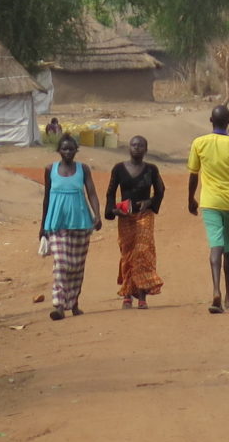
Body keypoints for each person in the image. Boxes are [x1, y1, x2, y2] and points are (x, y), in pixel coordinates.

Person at [187, 105, 229, 315]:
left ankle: (216, 292)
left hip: (210, 202)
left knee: (215, 247)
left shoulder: (199, 143)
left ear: (210, 120)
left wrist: (190, 199)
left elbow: (193, 174)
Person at [39, 133, 103, 320]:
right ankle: (59, 305)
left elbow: (91, 193)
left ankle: (74, 303)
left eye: (71, 148)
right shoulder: (50, 169)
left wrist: (97, 215)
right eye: (64, 148)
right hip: (57, 224)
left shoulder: (83, 169)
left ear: (76, 150)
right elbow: (46, 198)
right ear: (59, 150)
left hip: (81, 223)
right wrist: (42, 226)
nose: (68, 152)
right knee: (61, 265)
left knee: (77, 266)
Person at [106, 134, 166, 308]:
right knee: (127, 253)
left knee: (143, 252)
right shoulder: (118, 169)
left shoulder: (151, 170)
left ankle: (142, 295)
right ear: (129, 148)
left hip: (145, 215)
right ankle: (127, 293)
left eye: (141, 145)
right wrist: (113, 210)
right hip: (125, 217)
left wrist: (150, 202)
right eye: (134, 145)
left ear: (146, 149)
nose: (137, 148)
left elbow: (160, 190)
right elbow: (110, 193)